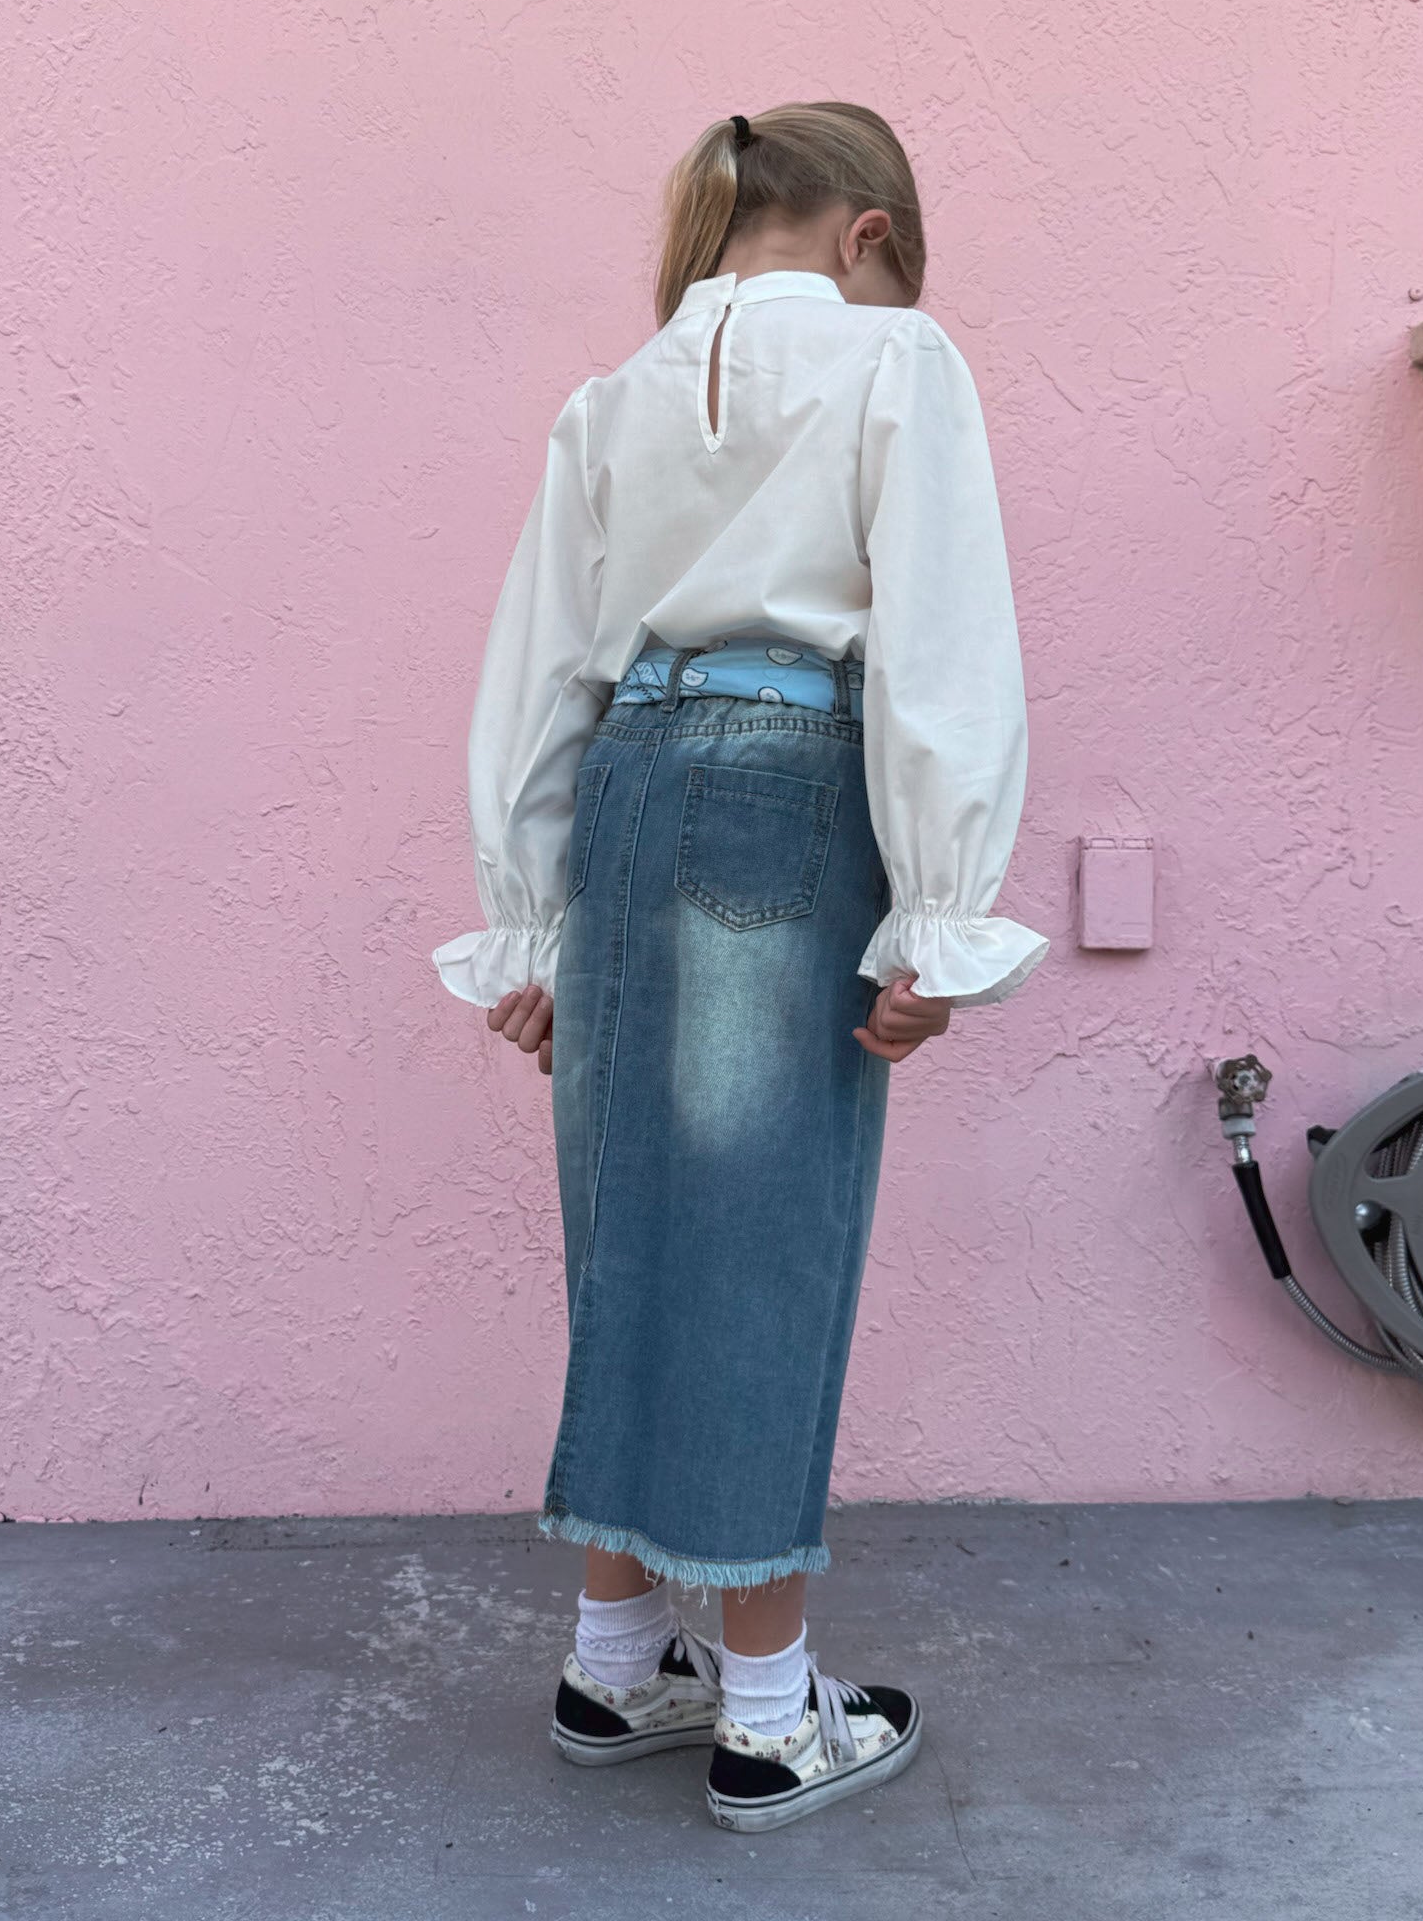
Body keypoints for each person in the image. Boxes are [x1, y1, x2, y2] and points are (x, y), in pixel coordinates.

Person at [432, 102, 1048, 1833]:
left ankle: (616, 1658)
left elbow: (542, 666)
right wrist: (941, 911)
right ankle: (770, 1712)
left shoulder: (611, 398)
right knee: (763, 1234)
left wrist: (533, 923)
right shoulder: (895, 358)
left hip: (629, 790)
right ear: (866, 233)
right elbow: (939, 637)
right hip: (788, 789)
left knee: (636, 1223)